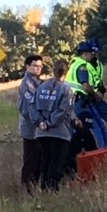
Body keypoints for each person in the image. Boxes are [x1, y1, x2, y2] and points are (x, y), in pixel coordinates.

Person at [65, 40, 107, 147]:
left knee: (105, 122)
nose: (93, 54)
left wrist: (101, 90)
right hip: (82, 100)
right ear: (84, 53)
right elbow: (85, 85)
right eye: (90, 52)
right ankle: (104, 150)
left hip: (88, 99)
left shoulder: (90, 64)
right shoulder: (81, 66)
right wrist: (95, 95)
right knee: (97, 126)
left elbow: (96, 81)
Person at [29, 59, 74, 191]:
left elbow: (32, 106)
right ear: (66, 72)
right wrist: (49, 123)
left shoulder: (41, 87)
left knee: (45, 161)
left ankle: (43, 188)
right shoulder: (66, 90)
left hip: (41, 133)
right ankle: (52, 189)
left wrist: (40, 122)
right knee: (56, 162)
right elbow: (62, 110)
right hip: (59, 133)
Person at [18, 54, 44, 192]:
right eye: (35, 66)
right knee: (30, 160)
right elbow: (28, 108)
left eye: (40, 66)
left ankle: (36, 186)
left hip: (41, 128)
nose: (38, 68)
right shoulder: (26, 84)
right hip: (30, 128)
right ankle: (27, 188)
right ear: (27, 66)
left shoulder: (41, 82)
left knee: (40, 159)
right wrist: (38, 122)